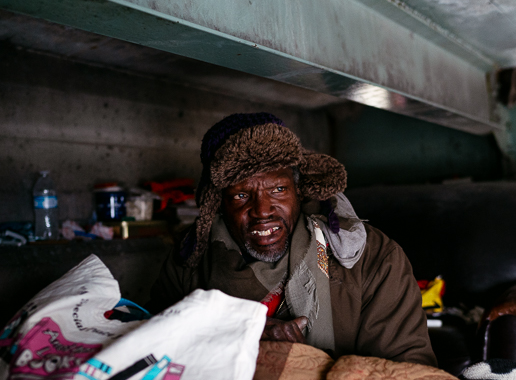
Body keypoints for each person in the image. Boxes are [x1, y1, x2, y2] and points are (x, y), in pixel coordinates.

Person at [148, 112, 436, 366]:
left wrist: (307, 366)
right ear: (219, 205)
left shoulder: (372, 257)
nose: (262, 211)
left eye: (278, 190)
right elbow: (151, 349)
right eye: (240, 195)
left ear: (299, 191)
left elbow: (410, 374)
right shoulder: (190, 260)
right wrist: (240, 330)